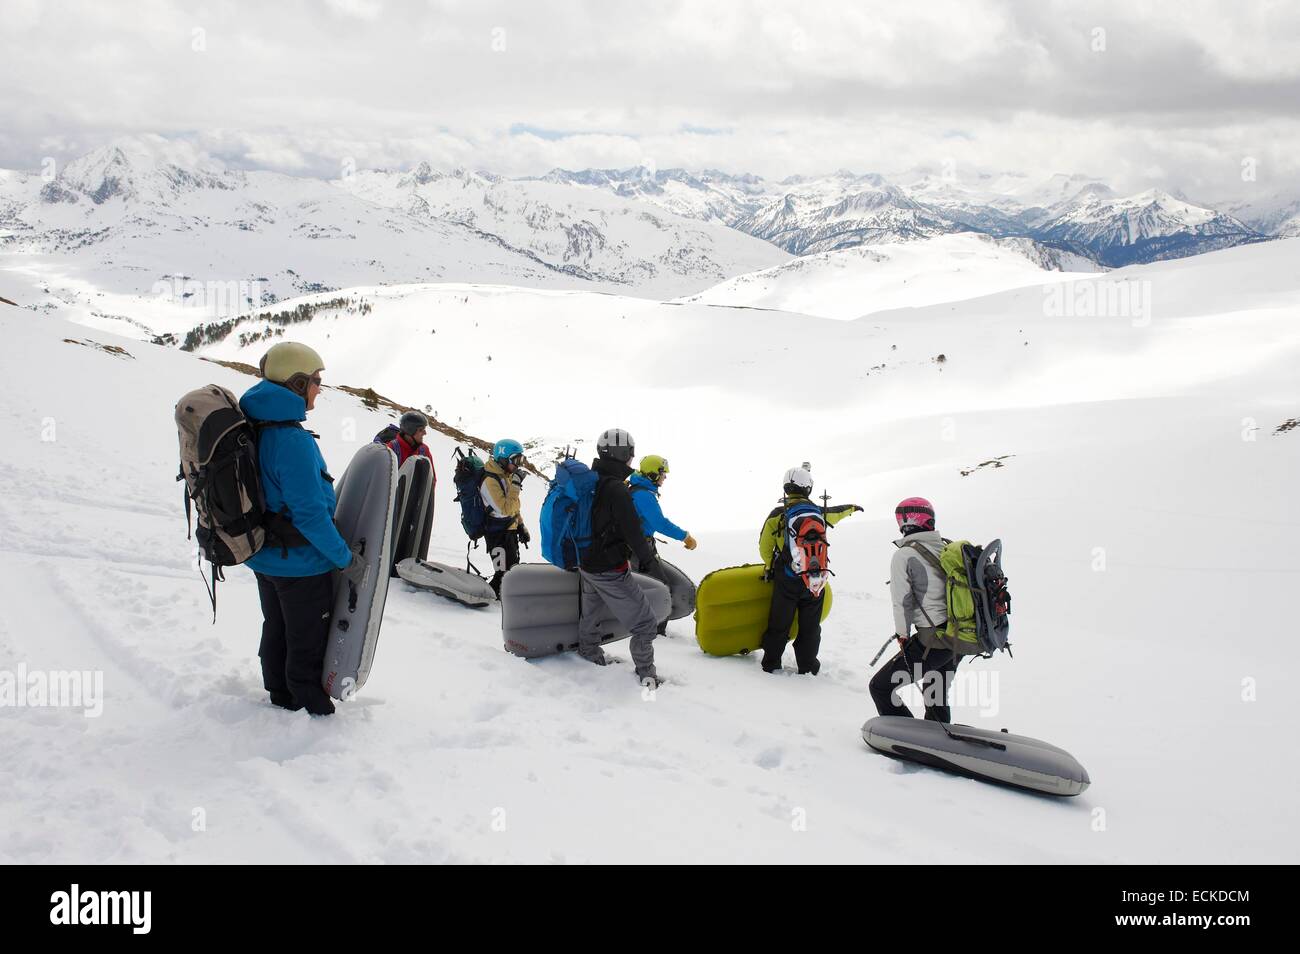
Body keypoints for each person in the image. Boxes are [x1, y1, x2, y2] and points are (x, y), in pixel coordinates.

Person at [240, 342, 366, 716]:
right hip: (301, 564)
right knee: (306, 638)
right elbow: (311, 516)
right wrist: (345, 559)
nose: (318, 389)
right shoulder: (291, 440)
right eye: (314, 381)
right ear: (295, 384)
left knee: (276, 626)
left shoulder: (256, 424)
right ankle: (309, 705)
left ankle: (278, 693)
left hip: (266, 555)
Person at [578, 428, 665, 688]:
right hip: (608, 566)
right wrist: (651, 563)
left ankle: (588, 651)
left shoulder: (592, 480)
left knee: (591, 610)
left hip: (585, 561)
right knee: (646, 624)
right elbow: (633, 532)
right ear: (622, 454)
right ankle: (646, 674)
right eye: (630, 453)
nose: (632, 458)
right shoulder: (617, 489)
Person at [757, 465, 859, 675]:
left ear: (786, 488)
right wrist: (852, 508)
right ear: (808, 489)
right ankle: (808, 666)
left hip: (787, 578)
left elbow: (764, 547)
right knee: (811, 628)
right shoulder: (818, 512)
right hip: (815, 579)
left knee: (779, 624)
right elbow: (837, 513)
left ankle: (771, 664)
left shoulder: (779, 514)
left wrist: (771, 566)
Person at [868, 496, 961, 723]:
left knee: (880, 687)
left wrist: (902, 634)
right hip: (959, 637)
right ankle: (938, 740)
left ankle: (907, 735)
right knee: (935, 693)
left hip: (933, 640)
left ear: (904, 522)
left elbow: (902, 601)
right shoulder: (947, 548)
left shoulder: (905, 554)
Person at [628, 454, 697, 634]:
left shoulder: (638, 489)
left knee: (651, 583)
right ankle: (654, 631)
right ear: (652, 475)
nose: (664, 478)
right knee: (660, 586)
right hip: (638, 548)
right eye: (662, 474)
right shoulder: (643, 495)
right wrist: (685, 537)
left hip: (637, 545)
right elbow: (660, 523)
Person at [481, 438, 530, 598]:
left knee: (512, 571)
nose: (518, 465)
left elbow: (514, 506)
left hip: (509, 531)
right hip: (496, 535)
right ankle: (489, 604)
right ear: (503, 458)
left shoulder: (505, 475)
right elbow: (505, 509)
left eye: (520, 460)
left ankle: (505, 600)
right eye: (515, 460)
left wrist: (521, 526)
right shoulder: (490, 481)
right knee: (502, 574)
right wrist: (515, 486)